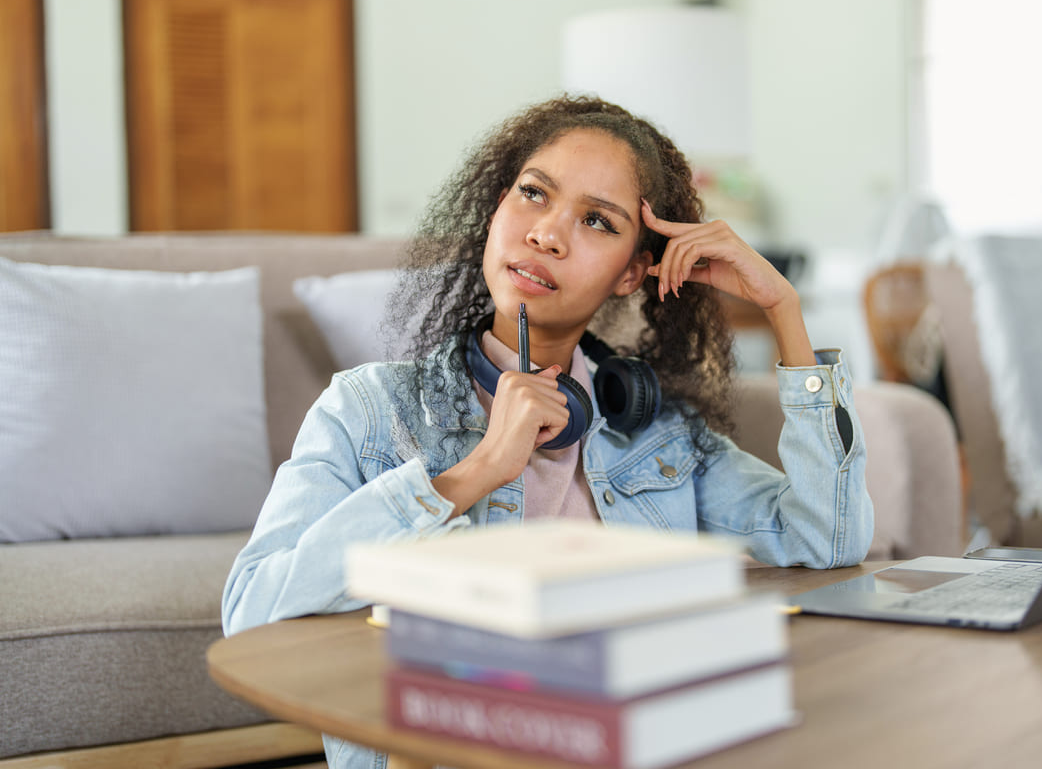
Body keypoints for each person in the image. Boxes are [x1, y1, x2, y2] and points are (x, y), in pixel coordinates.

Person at [222, 95, 872, 769]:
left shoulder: (659, 434)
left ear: (630, 273)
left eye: (596, 220)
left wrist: (782, 310)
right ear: (498, 207)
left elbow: (828, 536)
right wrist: (473, 472)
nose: (548, 233)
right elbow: (251, 615)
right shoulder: (368, 409)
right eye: (534, 194)